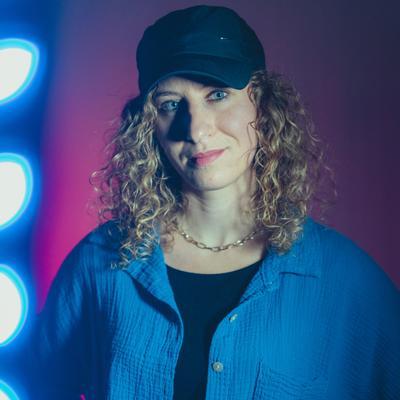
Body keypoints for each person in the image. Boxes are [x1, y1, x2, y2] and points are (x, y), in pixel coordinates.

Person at [22, 4, 399, 399]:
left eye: (217, 95)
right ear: (148, 126)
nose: (196, 129)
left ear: (263, 105)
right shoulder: (99, 265)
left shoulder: (342, 279)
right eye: (170, 104)